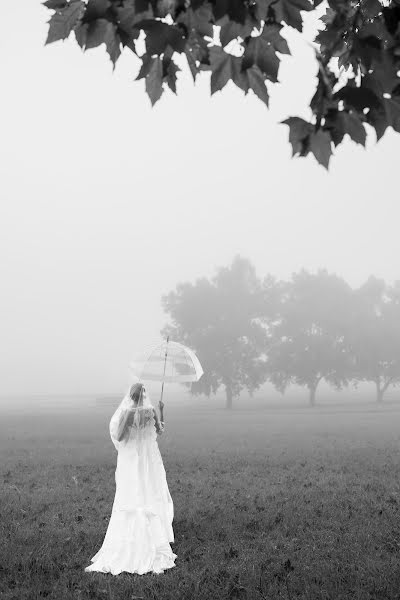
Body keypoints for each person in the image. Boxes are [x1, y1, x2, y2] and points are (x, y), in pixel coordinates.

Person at [84, 379, 177, 575]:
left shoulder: (127, 413)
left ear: (130, 396)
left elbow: (119, 437)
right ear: (144, 395)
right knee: (146, 491)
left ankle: (130, 537)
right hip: (148, 463)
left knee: (131, 494)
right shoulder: (151, 411)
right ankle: (152, 536)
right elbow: (159, 431)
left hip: (131, 463)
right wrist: (161, 410)